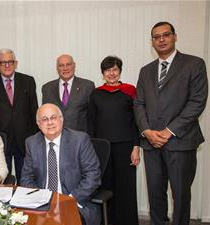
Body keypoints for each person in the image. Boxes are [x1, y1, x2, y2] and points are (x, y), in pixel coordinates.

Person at [134, 21, 208, 225]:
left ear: (175, 36)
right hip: (151, 143)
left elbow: (197, 102)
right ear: (152, 42)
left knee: (181, 196)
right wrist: (147, 131)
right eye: (156, 37)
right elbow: (139, 103)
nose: (161, 39)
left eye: (166, 35)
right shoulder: (145, 71)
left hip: (180, 142)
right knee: (155, 195)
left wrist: (169, 131)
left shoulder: (194, 64)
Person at [21, 103, 101, 225]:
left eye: (53, 117)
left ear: (61, 119)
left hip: (74, 201)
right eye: (44, 119)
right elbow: (26, 178)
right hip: (42, 203)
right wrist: (41, 199)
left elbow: (93, 176)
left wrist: (69, 199)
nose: (50, 122)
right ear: (38, 124)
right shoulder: (31, 143)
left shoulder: (80, 140)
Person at [88, 56, 140, 225]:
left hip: (126, 147)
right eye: (108, 70)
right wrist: (91, 149)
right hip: (103, 150)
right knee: (105, 187)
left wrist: (136, 147)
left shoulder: (130, 91)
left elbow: (136, 122)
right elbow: (91, 123)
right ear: (103, 73)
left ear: (120, 71)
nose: (111, 73)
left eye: (115, 69)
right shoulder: (96, 93)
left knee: (126, 188)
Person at [0, 48, 38, 184]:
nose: (7, 65)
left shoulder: (28, 81)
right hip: (1, 140)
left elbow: (34, 111)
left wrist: (35, 138)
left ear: (16, 63)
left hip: (24, 139)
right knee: (1, 180)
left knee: (25, 180)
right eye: (3, 63)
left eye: (10, 62)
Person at [42, 54, 94, 132]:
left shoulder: (87, 86)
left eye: (68, 64)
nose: (65, 68)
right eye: (61, 65)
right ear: (57, 68)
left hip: (80, 137)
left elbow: (92, 116)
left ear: (74, 66)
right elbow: (45, 114)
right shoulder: (47, 88)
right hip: (55, 135)